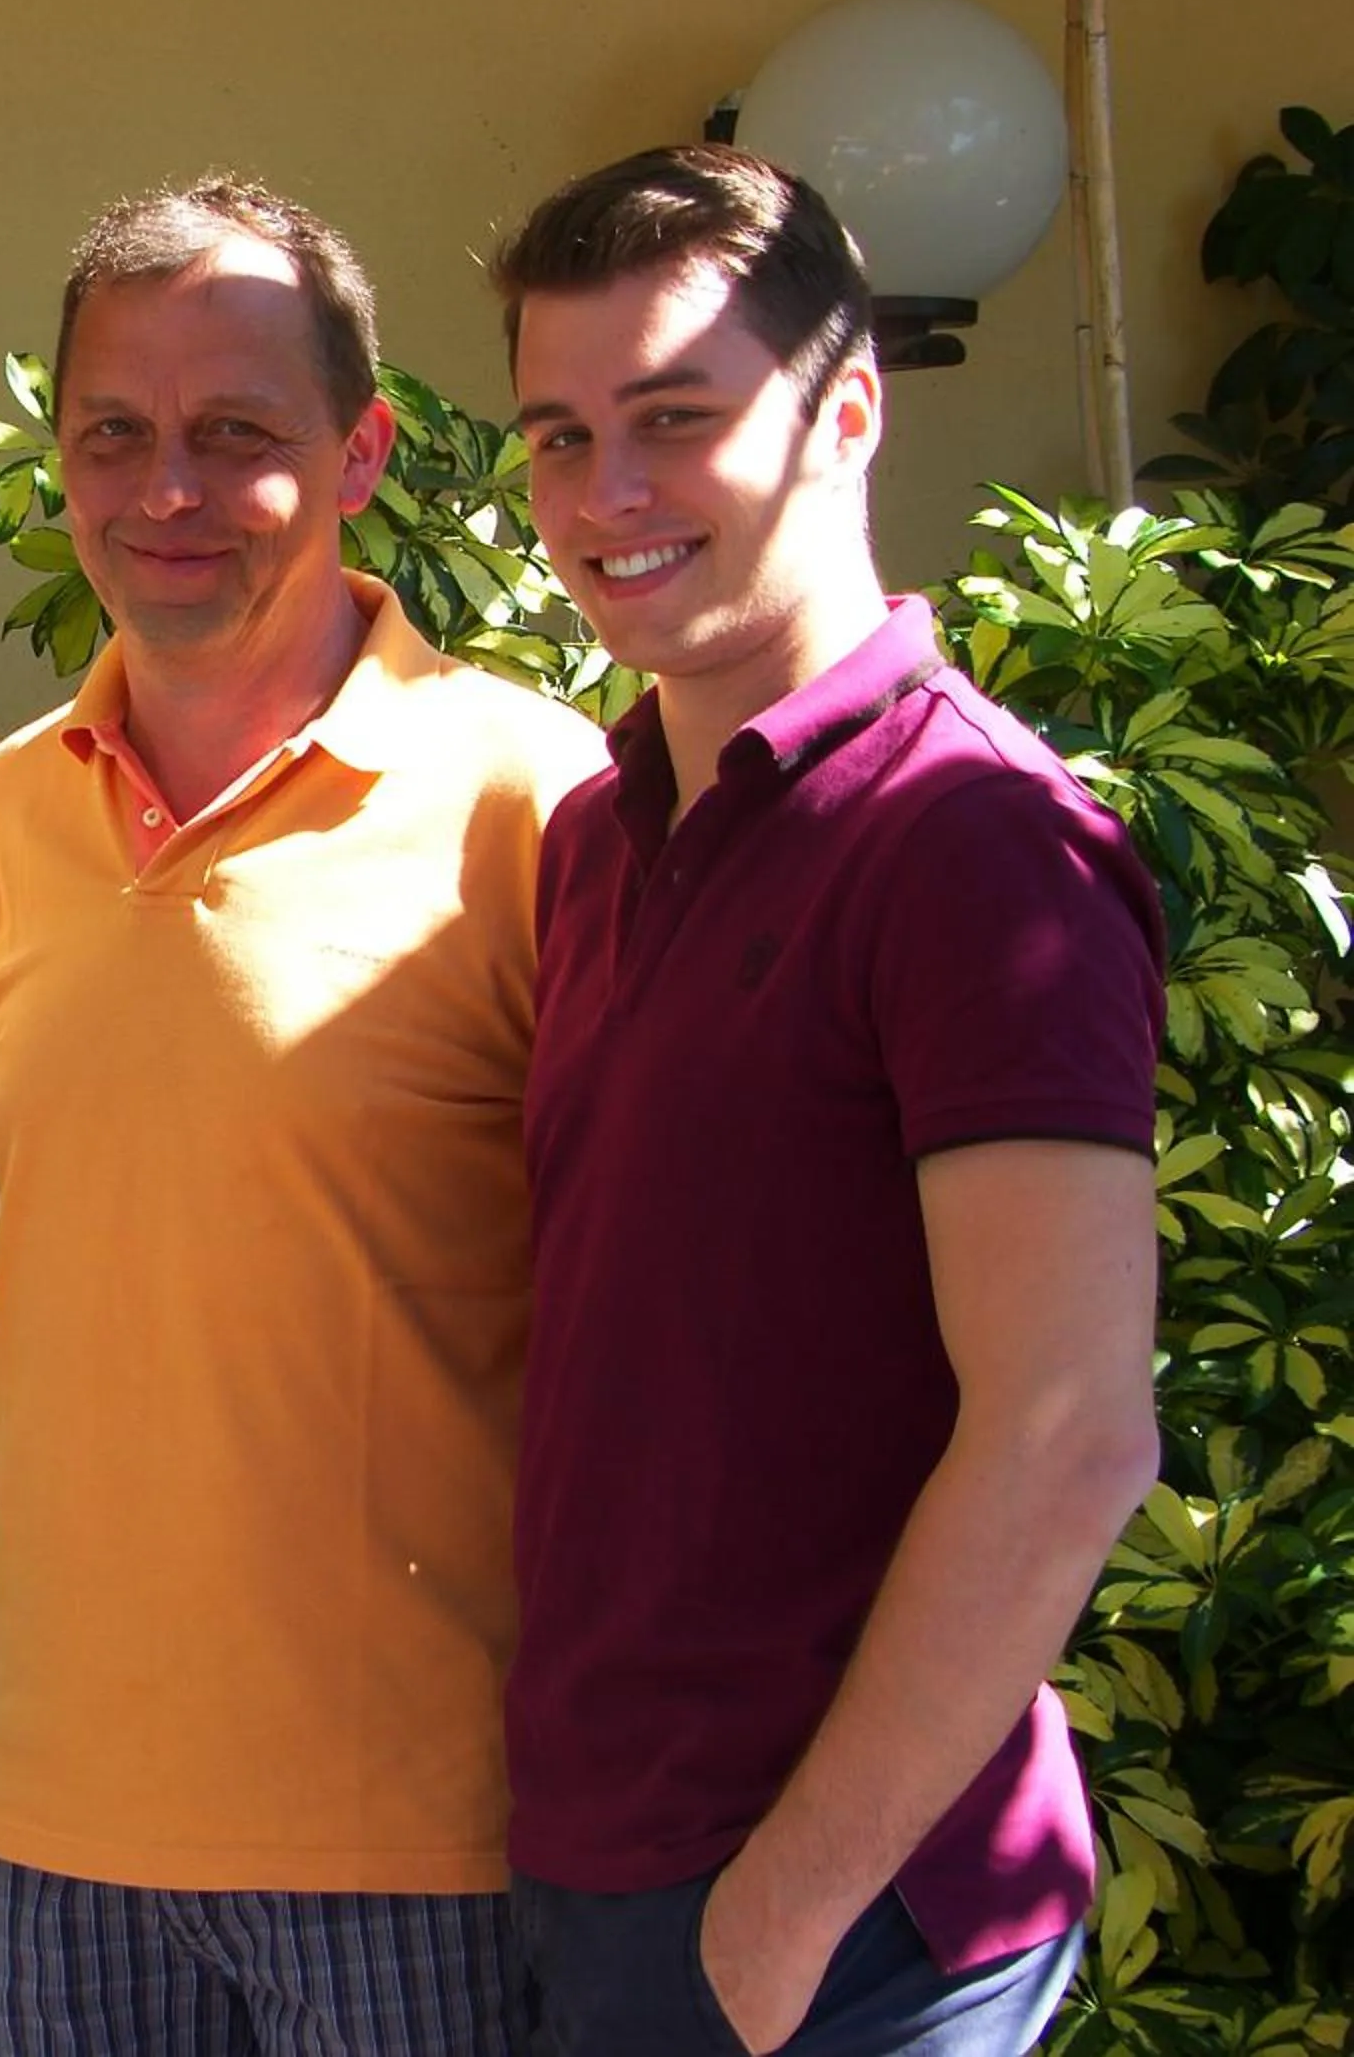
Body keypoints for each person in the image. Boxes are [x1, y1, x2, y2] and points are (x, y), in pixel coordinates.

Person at [490, 143, 1165, 2056]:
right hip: (601, 1868)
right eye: (557, 433)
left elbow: (1068, 1430)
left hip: (836, 1923)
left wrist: (789, 1910)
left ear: (846, 410)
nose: (605, 495)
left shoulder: (973, 842)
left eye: (673, 420)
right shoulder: (608, 839)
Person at [0, 178, 607, 2056]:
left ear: (362, 451)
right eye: (115, 435)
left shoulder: (531, 796)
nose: (166, 489)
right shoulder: (7, 812)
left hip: (420, 1834)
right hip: (48, 1821)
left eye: (237, 435)